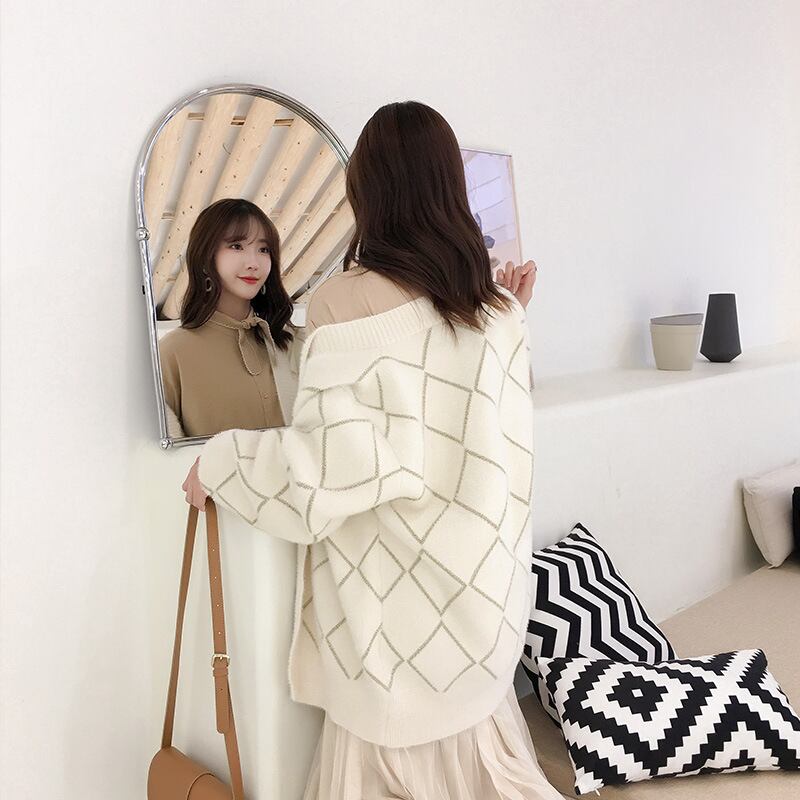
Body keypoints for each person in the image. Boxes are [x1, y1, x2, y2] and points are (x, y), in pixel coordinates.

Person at [182, 101, 557, 800]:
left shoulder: (344, 304)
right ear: (449, 185)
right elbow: (487, 426)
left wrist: (225, 462)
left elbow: (325, 472)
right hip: (484, 604)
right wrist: (512, 316)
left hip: (399, 626)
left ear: (368, 188)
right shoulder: (495, 308)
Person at [158, 198, 303, 438]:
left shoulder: (296, 342)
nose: (254, 263)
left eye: (264, 249)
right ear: (206, 256)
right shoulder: (171, 354)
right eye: (236, 246)